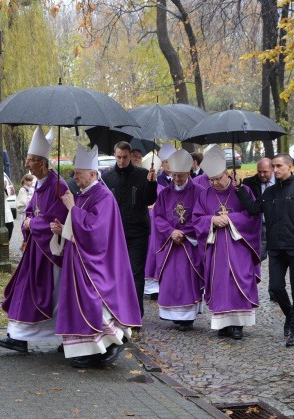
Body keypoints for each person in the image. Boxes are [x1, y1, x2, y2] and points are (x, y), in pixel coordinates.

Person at [50, 144, 142, 368]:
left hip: (96, 265)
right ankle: (91, 350)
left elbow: (95, 232)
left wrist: (72, 209)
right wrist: (64, 230)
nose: (75, 178)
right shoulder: (84, 194)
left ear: (92, 174)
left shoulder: (103, 196)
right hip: (79, 261)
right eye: (74, 173)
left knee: (96, 307)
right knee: (84, 306)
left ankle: (109, 345)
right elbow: (80, 227)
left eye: (78, 174)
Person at [0, 126, 69, 353]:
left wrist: (32, 224)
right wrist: (28, 220)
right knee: (24, 292)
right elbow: (30, 210)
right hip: (34, 251)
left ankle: (66, 337)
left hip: (49, 255)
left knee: (51, 298)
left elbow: (58, 221)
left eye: (31, 160)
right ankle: (18, 336)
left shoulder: (59, 186)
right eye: (27, 160)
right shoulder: (40, 184)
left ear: (43, 163)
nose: (27, 165)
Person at [235, 153, 294, 347]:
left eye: (279, 166)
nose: (275, 170)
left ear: (290, 166)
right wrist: (239, 189)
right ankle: (290, 315)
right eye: (273, 166)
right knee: (275, 287)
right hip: (276, 248)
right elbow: (254, 209)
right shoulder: (270, 192)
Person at [192, 145, 262, 341]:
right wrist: (212, 221)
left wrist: (231, 220)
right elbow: (196, 219)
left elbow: (253, 215)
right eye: (211, 179)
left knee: (239, 280)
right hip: (216, 250)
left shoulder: (243, 190)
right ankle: (223, 324)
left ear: (227, 174)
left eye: (218, 178)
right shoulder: (205, 194)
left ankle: (238, 324)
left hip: (239, 247)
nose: (214, 183)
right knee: (220, 283)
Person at [149, 149, 205, 330]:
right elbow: (157, 216)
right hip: (170, 243)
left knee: (187, 279)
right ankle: (172, 314)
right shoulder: (165, 193)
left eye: (180, 176)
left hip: (189, 243)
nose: (177, 180)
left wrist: (185, 232)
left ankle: (188, 317)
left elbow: (201, 216)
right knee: (171, 279)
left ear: (188, 173)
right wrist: (171, 232)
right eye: (174, 176)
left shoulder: (199, 191)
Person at [102, 141, 157, 317]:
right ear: (114, 155)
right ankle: (117, 310)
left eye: (125, 157)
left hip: (138, 232)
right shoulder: (107, 177)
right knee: (115, 273)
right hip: (115, 233)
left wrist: (151, 183)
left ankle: (135, 313)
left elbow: (149, 200)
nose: (121, 161)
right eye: (118, 157)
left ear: (130, 156)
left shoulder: (142, 175)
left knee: (136, 273)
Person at [242, 158, 275, 262]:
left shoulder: (281, 182)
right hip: (260, 224)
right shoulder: (249, 183)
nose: (261, 175)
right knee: (258, 256)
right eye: (259, 171)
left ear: (272, 169)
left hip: (277, 225)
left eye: (265, 172)